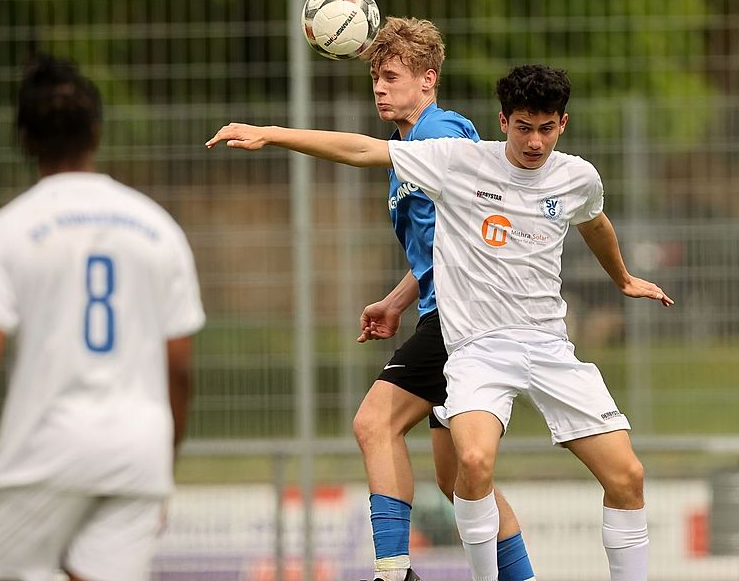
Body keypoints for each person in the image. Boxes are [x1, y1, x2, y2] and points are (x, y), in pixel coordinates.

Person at [206, 63, 672, 581]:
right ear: (502, 122)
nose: (534, 141)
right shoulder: (458, 161)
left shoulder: (578, 176)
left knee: (627, 475)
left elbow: (596, 221)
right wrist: (272, 134)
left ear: (562, 123)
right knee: (471, 465)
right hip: (477, 348)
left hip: (549, 346)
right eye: (523, 127)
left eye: (545, 128)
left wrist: (624, 278)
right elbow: (363, 149)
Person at [0, 55, 205, 581]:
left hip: (40, 453)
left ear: (23, 137)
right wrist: (162, 463)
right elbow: (179, 368)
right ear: (96, 131)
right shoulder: (156, 226)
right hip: (136, 452)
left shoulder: (11, 230)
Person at [354, 17, 533, 581]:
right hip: (446, 312)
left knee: (374, 424)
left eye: (391, 76)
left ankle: (392, 574)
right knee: (458, 479)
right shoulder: (409, 148)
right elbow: (443, 247)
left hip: (463, 321)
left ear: (427, 79)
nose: (379, 88)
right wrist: (398, 299)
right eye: (375, 79)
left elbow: (483, 222)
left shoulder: (443, 134)